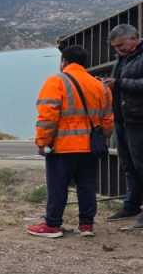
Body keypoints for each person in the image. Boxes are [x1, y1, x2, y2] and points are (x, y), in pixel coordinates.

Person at [28, 46, 114, 238]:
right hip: (91, 147)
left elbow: (47, 116)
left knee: (58, 187)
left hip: (63, 147)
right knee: (87, 186)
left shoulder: (56, 81)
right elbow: (108, 120)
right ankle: (86, 225)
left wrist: (42, 142)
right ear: (84, 63)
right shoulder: (101, 86)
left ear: (64, 61)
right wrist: (103, 138)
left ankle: (52, 225)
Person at [105, 24, 143, 228]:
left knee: (141, 165)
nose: (118, 51)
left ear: (134, 38)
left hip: (139, 120)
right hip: (123, 119)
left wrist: (119, 83)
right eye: (115, 48)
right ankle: (131, 205)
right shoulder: (123, 58)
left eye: (120, 46)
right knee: (128, 165)